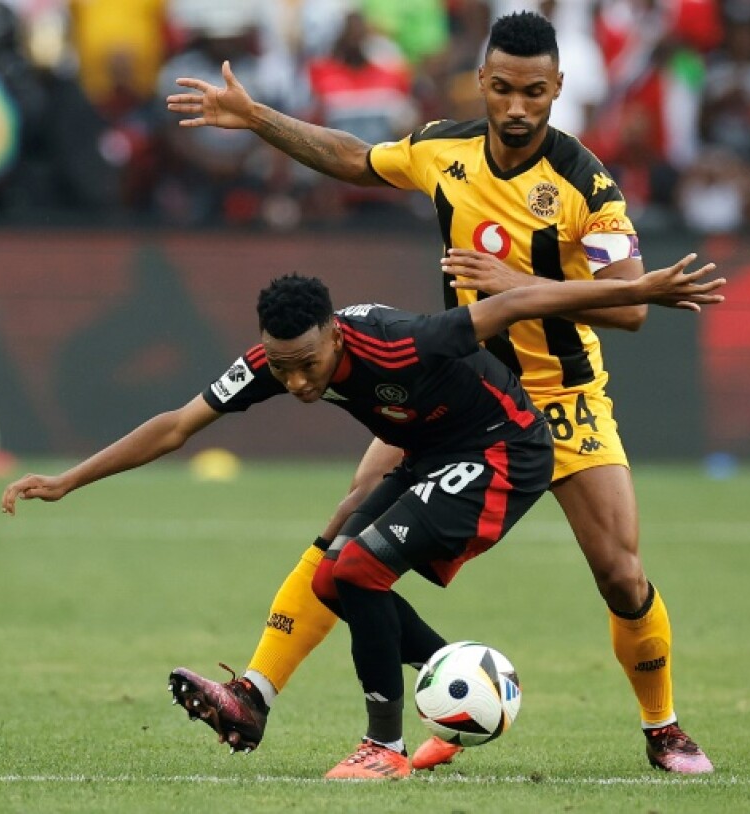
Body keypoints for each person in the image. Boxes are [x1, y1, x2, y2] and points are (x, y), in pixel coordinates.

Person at [166, 10, 717, 773]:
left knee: (622, 575)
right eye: (502, 89)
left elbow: (628, 307)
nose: (516, 107)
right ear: (481, 84)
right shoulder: (440, 148)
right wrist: (259, 117)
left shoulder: (586, 182)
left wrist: (514, 285)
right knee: (345, 533)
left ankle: (663, 727)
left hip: (562, 399)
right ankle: (255, 692)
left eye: (533, 91)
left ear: (558, 88)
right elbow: (357, 160)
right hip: (453, 396)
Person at [0, 262, 725, 780]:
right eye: (281, 370)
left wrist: (639, 290)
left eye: (306, 364)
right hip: (433, 451)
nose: (294, 382)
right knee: (332, 568)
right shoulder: (275, 356)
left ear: (336, 339)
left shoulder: (406, 340)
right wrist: (68, 480)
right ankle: (447, 693)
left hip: (507, 450)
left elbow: (516, 305)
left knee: (358, 567)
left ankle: (383, 744)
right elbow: (176, 426)